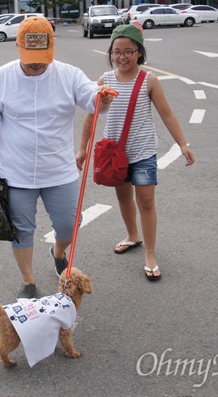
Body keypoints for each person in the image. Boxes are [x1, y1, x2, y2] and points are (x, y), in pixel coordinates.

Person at [0, 17, 116, 299]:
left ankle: (58, 251)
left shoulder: (68, 74)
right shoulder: (0, 78)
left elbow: (91, 98)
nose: (36, 64)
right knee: (21, 230)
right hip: (16, 172)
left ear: (51, 47)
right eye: (30, 59)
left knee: (68, 224)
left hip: (59, 170)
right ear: (18, 48)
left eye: (42, 58)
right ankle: (28, 280)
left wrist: (103, 97)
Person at [77, 25, 195, 281]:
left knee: (146, 202)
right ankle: (133, 235)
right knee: (123, 198)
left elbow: (167, 114)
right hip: (114, 154)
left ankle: (150, 253)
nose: (122, 57)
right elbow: (90, 117)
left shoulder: (148, 80)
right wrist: (82, 148)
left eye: (128, 51)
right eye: (116, 52)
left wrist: (182, 144)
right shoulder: (104, 80)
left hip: (142, 152)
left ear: (140, 52)